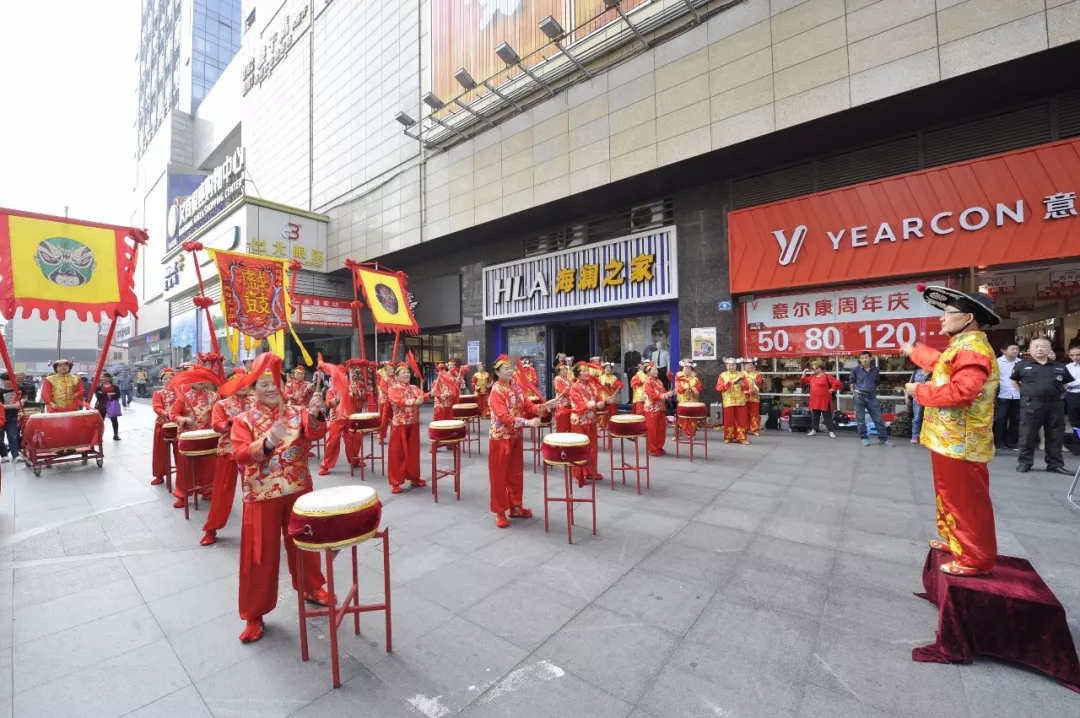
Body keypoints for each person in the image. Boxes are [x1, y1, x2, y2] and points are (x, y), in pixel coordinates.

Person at [227, 353, 330, 643]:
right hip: (261, 495)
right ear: (252, 389)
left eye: (276, 383)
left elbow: (316, 433)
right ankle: (254, 613)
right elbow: (239, 453)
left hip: (298, 490)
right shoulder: (244, 420)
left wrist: (316, 414)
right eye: (264, 384)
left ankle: (311, 587)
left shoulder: (298, 412)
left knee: (305, 542)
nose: (271, 388)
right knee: (259, 554)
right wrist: (268, 441)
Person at [902, 286, 1001, 577]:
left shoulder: (973, 350)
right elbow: (940, 363)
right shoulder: (962, 346)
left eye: (948, 313)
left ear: (968, 318)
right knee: (949, 495)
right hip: (950, 440)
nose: (942, 319)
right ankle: (957, 543)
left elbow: (961, 393)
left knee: (966, 501)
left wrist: (919, 390)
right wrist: (915, 351)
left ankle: (975, 558)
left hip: (963, 442)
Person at [487, 354, 546, 528]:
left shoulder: (516, 387)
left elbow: (527, 405)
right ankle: (500, 511)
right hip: (500, 438)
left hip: (515, 436)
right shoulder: (496, 391)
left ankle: (516, 506)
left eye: (510, 367)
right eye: (506, 368)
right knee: (499, 476)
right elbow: (504, 417)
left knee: (516, 473)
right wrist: (527, 422)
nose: (510, 370)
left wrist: (542, 407)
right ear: (497, 372)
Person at [200, 368, 251, 546]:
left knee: (253, 491)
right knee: (221, 491)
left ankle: (253, 529)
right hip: (228, 450)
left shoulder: (258, 402)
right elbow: (216, 425)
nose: (242, 385)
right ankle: (211, 528)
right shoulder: (221, 405)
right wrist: (231, 423)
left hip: (252, 452)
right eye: (238, 381)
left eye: (245, 381)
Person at [1012, 337, 1074, 475]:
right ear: (1030, 349)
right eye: (1036, 346)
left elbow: (1065, 384)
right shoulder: (1022, 365)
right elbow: (1014, 381)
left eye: (1043, 346)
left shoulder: (1059, 366)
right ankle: (1025, 463)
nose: (1039, 349)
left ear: (1049, 349)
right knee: (1027, 434)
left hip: (1055, 404)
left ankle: (1055, 464)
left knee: (1055, 434)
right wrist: (1026, 393)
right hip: (1031, 404)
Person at [169, 367, 221, 509]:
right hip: (189, 437)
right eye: (196, 378)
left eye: (203, 378)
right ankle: (182, 495)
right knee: (185, 467)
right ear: (190, 381)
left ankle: (208, 490)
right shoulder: (183, 397)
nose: (200, 381)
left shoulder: (214, 397)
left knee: (209, 465)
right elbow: (173, 414)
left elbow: (218, 415)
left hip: (208, 436)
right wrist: (183, 419)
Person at [387, 361, 431, 494]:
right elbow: (399, 401)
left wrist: (430, 394)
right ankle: (395, 482)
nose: (407, 374)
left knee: (413, 453)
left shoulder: (413, 388)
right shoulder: (393, 389)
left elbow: (422, 397)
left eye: (407, 372)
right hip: (400, 424)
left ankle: (414, 477)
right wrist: (414, 401)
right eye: (403, 373)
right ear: (396, 376)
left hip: (413, 423)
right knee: (397, 454)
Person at [318, 360, 366, 476]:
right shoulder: (331, 391)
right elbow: (329, 404)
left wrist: (356, 392)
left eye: (344, 376)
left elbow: (360, 399)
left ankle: (354, 460)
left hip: (350, 418)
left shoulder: (351, 387)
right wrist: (338, 398)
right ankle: (326, 465)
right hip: (336, 419)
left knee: (354, 440)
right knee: (332, 442)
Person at [569, 362, 605, 486]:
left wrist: (604, 402)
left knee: (592, 447)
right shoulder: (574, 387)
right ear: (578, 375)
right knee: (579, 448)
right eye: (583, 371)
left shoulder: (591, 386)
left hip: (591, 420)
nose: (586, 373)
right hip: (579, 421)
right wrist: (595, 404)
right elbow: (580, 404)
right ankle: (578, 474)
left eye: (587, 370)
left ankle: (590, 471)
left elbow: (598, 398)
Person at [851, 351, 892, 447]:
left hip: (871, 396)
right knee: (860, 419)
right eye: (862, 358)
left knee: (878, 418)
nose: (864, 360)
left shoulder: (876, 370)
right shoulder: (855, 369)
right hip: (859, 396)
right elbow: (852, 381)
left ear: (870, 358)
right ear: (860, 359)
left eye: (866, 357)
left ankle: (883, 439)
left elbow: (877, 381)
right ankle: (864, 438)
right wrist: (854, 390)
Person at [150, 367, 177, 486]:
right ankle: (159, 475)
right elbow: (157, 407)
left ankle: (183, 474)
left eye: (171, 378)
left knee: (180, 451)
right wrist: (166, 413)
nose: (168, 380)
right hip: (162, 424)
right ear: (162, 380)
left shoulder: (181, 393)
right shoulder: (158, 393)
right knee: (160, 451)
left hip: (178, 425)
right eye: (165, 378)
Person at [801, 361, 841, 438]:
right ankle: (814, 430)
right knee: (815, 416)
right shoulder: (812, 376)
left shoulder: (827, 376)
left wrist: (832, 389)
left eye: (813, 368)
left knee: (827, 416)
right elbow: (804, 381)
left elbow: (837, 383)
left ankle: (831, 431)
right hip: (815, 399)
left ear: (819, 368)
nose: (812, 370)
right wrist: (804, 372)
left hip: (824, 400)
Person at [993, 343, 1022, 450]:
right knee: (1000, 419)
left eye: (1017, 349)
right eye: (1012, 349)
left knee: (1016, 419)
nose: (1015, 351)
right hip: (1002, 394)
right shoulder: (996, 363)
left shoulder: (1021, 363)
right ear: (1004, 351)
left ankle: (1011, 442)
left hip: (1017, 394)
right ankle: (997, 442)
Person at [716, 358, 750, 444]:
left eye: (733, 365)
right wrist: (726, 384)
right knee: (728, 420)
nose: (731, 367)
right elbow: (718, 387)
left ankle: (742, 438)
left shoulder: (741, 374)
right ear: (726, 366)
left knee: (741, 419)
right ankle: (728, 437)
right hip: (728, 400)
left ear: (736, 366)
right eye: (729, 365)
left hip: (740, 400)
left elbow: (747, 387)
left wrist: (742, 384)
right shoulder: (722, 375)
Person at [643, 361, 674, 456]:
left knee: (661, 429)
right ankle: (652, 449)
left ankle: (659, 446)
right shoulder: (647, 382)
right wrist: (668, 394)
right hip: (651, 409)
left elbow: (663, 392)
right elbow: (654, 396)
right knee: (652, 429)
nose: (656, 371)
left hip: (661, 408)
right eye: (654, 370)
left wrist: (671, 393)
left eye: (656, 369)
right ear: (648, 372)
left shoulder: (659, 381)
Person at [674, 359, 702, 441]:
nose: (687, 370)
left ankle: (691, 433)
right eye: (685, 368)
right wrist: (684, 388)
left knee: (692, 417)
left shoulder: (695, 378)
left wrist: (695, 391)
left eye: (689, 368)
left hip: (693, 401)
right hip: (682, 400)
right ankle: (677, 434)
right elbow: (678, 389)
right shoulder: (679, 376)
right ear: (682, 368)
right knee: (680, 417)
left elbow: (699, 388)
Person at [0, 373, 23, 463]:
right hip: (1, 417)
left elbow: (25, 397)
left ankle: (15, 455)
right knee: (0, 438)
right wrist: (14, 405)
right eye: (5, 380)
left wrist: (22, 402)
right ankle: (4, 455)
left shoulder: (18, 389)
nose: (8, 382)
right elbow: (1, 406)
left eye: (9, 380)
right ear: (2, 381)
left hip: (12, 417)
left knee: (12, 436)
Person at [94, 373, 123, 441]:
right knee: (100, 421)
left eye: (104, 377)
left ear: (109, 378)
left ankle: (115, 435)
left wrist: (104, 394)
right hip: (101, 405)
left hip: (112, 405)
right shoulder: (98, 387)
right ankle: (99, 436)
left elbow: (118, 395)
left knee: (114, 420)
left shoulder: (115, 387)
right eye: (101, 377)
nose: (102, 378)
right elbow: (98, 395)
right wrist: (109, 394)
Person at [906, 365, 931, 444]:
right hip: (917, 399)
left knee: (929, 418)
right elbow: (909, 385)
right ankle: (915, 435)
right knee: (917, 418)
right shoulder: (916, 373)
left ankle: (927, 436)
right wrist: (907, 397)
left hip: (930, 399)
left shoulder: (934, 373)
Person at [741, 358, 763, 436]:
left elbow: (760, 382)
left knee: (754, 413)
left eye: (751, 365)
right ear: (744, 366)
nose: (749, 366)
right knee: (744, 413)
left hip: (754, 397)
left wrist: (755, 381)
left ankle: (755, 429)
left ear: (754, 366)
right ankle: (745, 428)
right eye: (748, 365)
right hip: (744, 396)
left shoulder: (757, 374)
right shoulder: (741, 374)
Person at [599, 362, 622, 432]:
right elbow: (597, 388)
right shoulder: (600, 378)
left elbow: (619, 387)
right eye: (606, 368)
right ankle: (602, 425)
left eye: (609, 368)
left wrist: (612, 387)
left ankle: (614, 426)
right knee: (603, 413)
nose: (608, 369)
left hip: (612, 398)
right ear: (604, 369)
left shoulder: (614, 378)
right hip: (604, 398)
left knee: (613, 413)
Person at [1066, 344, 1080, 455]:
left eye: (1078, 355)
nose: (1075, 357)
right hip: (1072, 396)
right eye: (1072, 355)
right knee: (1075, 422)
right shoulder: (1068, 367)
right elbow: (1066, 383)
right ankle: (1077, 447)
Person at [552, 360, 573, 433]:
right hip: (562, 403)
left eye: (565, 370)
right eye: (562, 370)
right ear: (559, 372)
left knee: (569, 423)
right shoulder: (557, 379)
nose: (565, 371)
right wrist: (571, 393)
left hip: (569, 403)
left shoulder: (568, 379)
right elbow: (561, 390)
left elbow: (572, 388)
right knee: (562, 423)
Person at [376, 360, 393, 443]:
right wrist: (393, 394)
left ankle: (395, 436)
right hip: (385, 402)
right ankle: (381, 437)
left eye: (392, 369)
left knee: (394, 420)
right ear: (385, 371)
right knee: (384, 420)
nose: (391, 371)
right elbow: (384, 390)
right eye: (389, 370)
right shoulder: (384, 379)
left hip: (393, 403)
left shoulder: (395, 379)